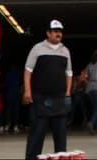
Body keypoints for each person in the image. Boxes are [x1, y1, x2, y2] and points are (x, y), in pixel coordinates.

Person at [23, 19, 72, 160]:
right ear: (48, 33)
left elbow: (69, 73)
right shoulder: (37, 48)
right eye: (55, 31)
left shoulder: (65, 51)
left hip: (59, 99)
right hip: (40, 99)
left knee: (61, 136)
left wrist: (68, 92)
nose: (58, 34)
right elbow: (28, 71)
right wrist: (27, 91)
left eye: (60, 31)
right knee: (37, 135)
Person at [81, 49, 97, 134]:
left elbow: (83, 76)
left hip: (90, 89)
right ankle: (91, 123)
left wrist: (88, 83)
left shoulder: (89, 65)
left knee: (95, 108)